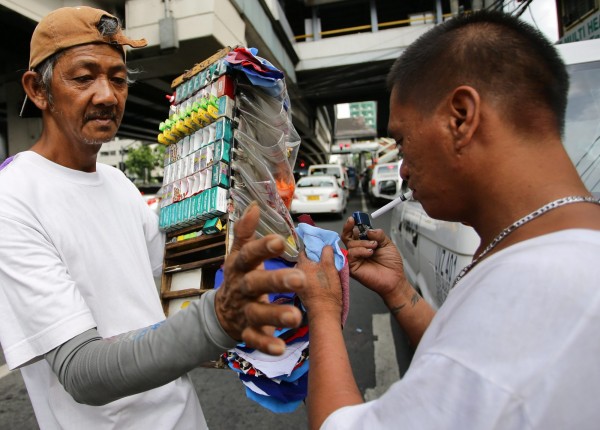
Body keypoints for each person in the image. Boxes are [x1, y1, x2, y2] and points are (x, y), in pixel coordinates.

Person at [0, 7, 306, 429]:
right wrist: (216, 320)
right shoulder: (12, 198)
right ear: (38, 90)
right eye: (84, 76)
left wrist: (283, 268)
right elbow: (81, 372)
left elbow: (170, 312)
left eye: (119, 79)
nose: (108, 95)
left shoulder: (120, 185)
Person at [296, 10, 600, 430]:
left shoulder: (531, 291)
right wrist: (401, 292)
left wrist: (322, 310)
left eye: (402, 141)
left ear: (460, 117)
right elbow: (469, 367)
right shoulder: (560, 250)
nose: (401, 169)